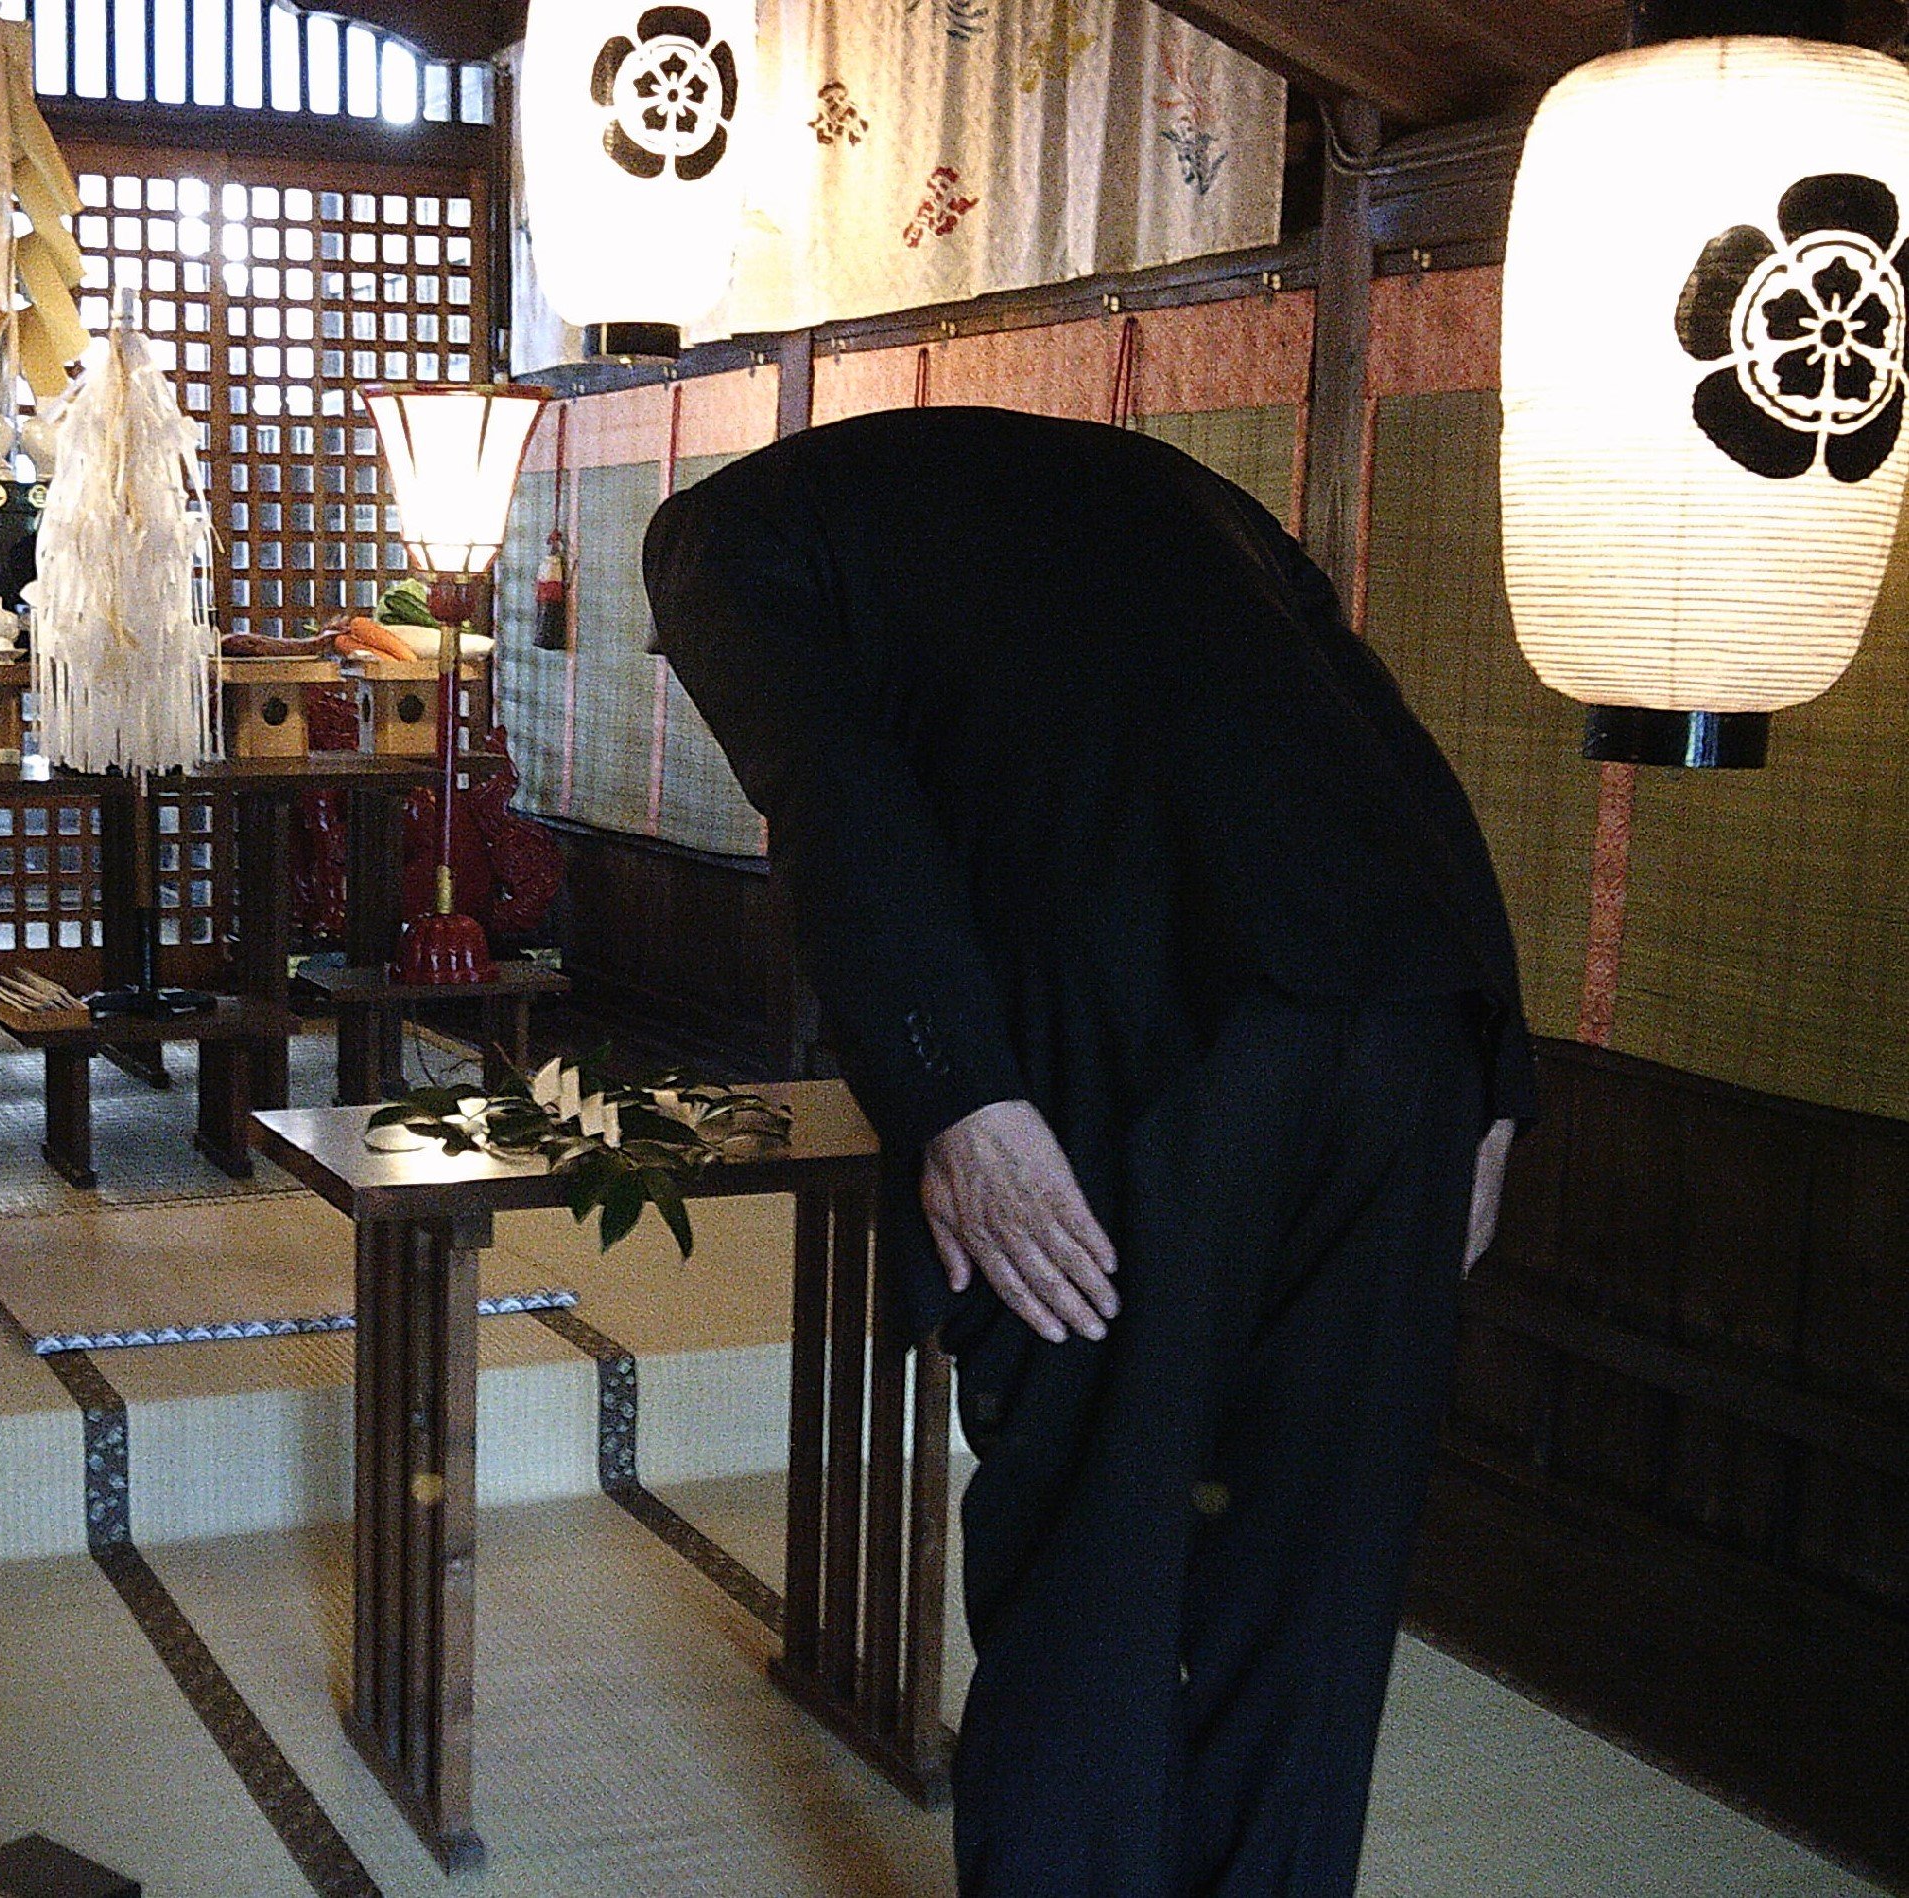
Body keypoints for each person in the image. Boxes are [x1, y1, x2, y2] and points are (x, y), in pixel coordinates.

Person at [642, 406, 1534, 1898]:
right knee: (1316, 1582)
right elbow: (1388, 739)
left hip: (1138, 1065)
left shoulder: (712, 538)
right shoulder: (1178, 492)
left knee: (1093, 1571)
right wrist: (1492, 1061)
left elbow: (830, 786)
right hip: (1406, 1032)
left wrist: (956, 1095)